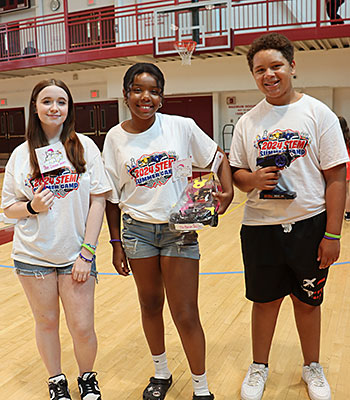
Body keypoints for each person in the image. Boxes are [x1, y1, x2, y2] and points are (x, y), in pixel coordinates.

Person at [102, 62, 233, 400]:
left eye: (154, 91)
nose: (146, 97)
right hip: (136, 232)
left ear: (162, 96)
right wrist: (116, 243)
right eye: (138, 89)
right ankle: (161, 373)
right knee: (149, 305)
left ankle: (201, 388)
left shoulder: (181, 126)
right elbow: (112, 198)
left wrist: (228, 188)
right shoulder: (115, 138)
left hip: (180, 230)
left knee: (186, 313)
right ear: (126, 93)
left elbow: (218, 156)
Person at [229, 33, 348, 400]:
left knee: (308, 301)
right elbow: (236, 173)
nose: (269, 74)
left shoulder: (318, 113)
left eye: (276, 66)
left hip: (309, 226)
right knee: (264, 302)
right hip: (260, 228)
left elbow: (336, 177)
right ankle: (258, 367)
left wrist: (332, 235)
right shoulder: (248, 122)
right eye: (260, 69)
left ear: (292, 67)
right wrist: (252, 179)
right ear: (253, 75)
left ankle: (312, 366)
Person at [1, 79, 111, 400]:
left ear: (68, 108)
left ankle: (87, 378)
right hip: (33, 257)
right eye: (47, 101)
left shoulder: (85, 147)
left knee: (82, 326)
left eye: (61, 102)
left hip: (77, 255)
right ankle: (56, 381)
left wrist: (87, 253)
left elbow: (99, 201)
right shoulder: (21, 155)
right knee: (46, 323)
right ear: (35, 107)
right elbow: (9, 208)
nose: (54, 108)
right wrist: (32, 207)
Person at [339, 116, 350, 220]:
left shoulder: (337, 137)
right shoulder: (348, 138)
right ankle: (348, 213)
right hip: (348, 164)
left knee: (343, 192)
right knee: (347, 192)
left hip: (342, 164)